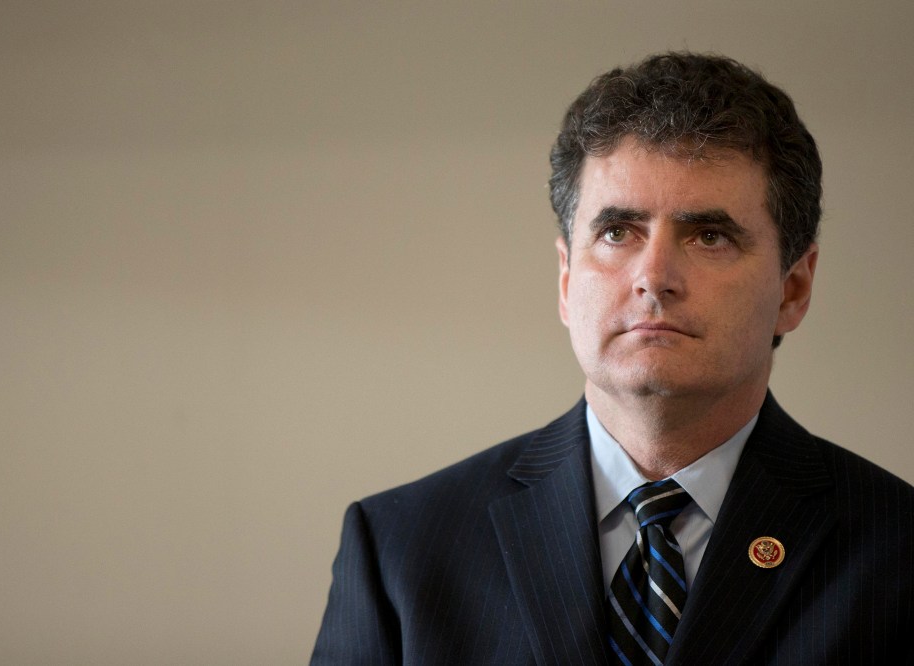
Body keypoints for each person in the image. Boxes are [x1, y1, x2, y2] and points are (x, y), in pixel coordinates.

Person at [310, 52, 914, 665]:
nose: (654, 278)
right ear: (567, 280)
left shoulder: (899, 549)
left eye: (709, 236)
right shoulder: (399, 550)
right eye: (617, 232)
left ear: (794, 288)